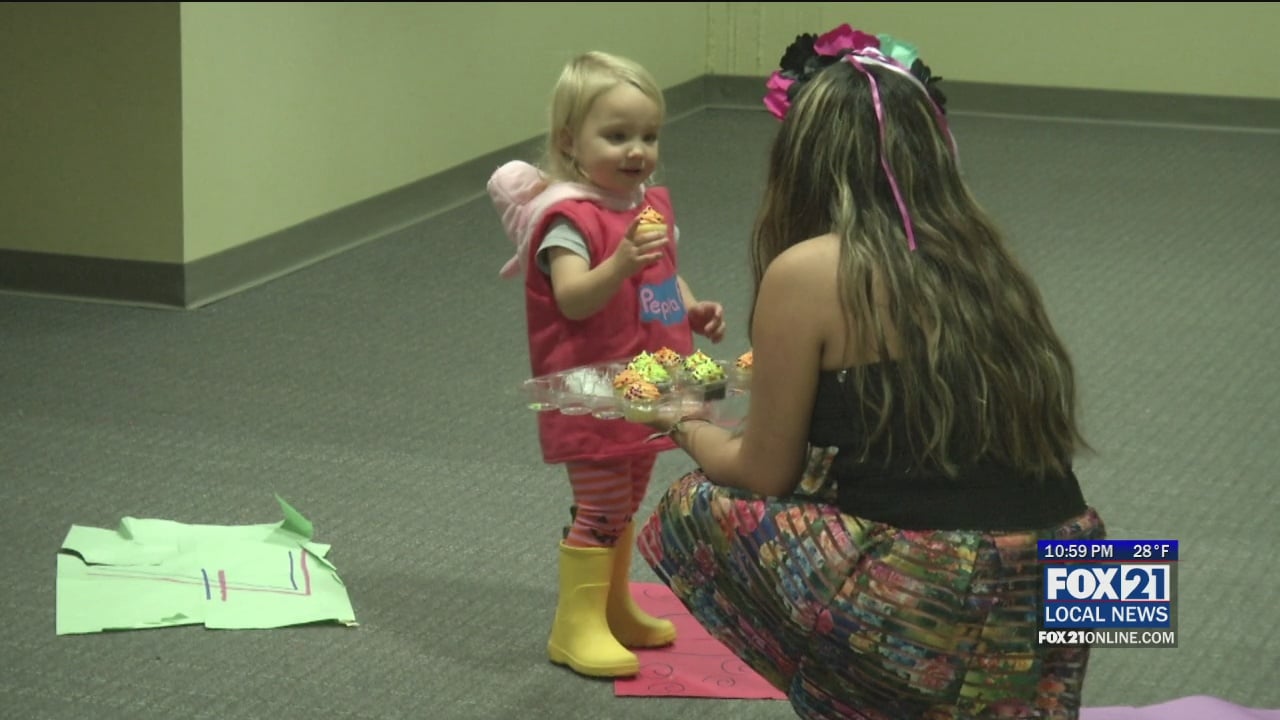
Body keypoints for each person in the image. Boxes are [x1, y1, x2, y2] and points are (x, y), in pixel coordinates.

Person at [635, 24, 1106, 720]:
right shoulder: (986, 254)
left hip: (949, 589)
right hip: (1086, 565)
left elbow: (765, 472)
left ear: (802, 162)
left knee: (691, 507)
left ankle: (867, 694)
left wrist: (683, 422)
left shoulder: (809, 269)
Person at [487, 50, 725, 679]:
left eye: (648, 136)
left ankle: (614, 608)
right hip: (592, 388)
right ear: (569, 141)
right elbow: (574, 297)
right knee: (598, 508)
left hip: (649, 382)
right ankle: (576, 625)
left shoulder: (644, 206)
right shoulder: (567, 218)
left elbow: (664, 274)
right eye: (616, 136)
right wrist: (617, 262)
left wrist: (692, 309)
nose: (636, 151)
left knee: (626, 501)